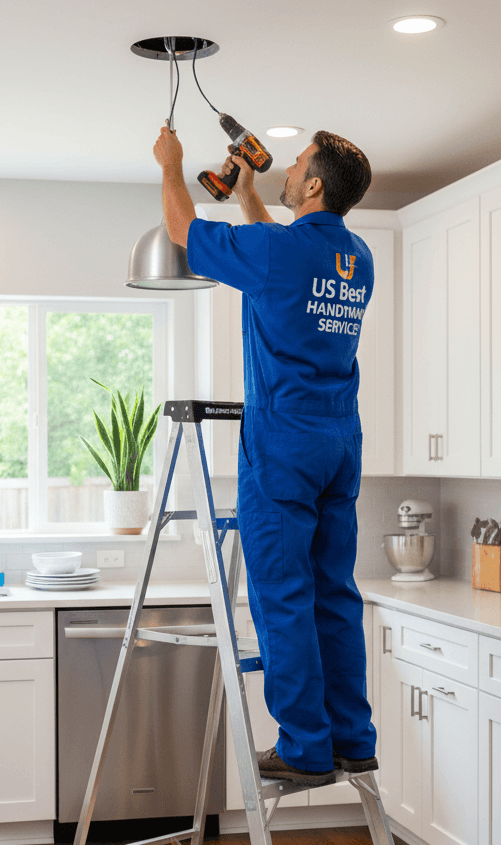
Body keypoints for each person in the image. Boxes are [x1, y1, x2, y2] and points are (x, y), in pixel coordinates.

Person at [152, 123, 377, 786]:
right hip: (339, 441)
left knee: (283, 593)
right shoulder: (357, 256)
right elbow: (280, 258)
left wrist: (171, 164)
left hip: (285, 445)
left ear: (311, 184)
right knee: (334, 592)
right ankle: (351, 738)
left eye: (298, 163)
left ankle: (305, 748)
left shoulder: (279, 255)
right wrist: (249, 193)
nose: (289, 169)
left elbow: (182, 232)